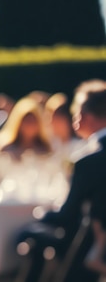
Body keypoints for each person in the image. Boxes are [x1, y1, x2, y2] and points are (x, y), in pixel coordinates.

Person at [14, 79, 106, 282]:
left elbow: (68, 215)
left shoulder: (88, 161)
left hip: (95, 248)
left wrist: (41, 215)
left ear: (86, 116)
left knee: (26, 235)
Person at [45, 93, 85, 160]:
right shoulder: (48, 145)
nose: (51, 122)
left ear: (66, 120)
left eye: (56, 118)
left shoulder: (80, 146)